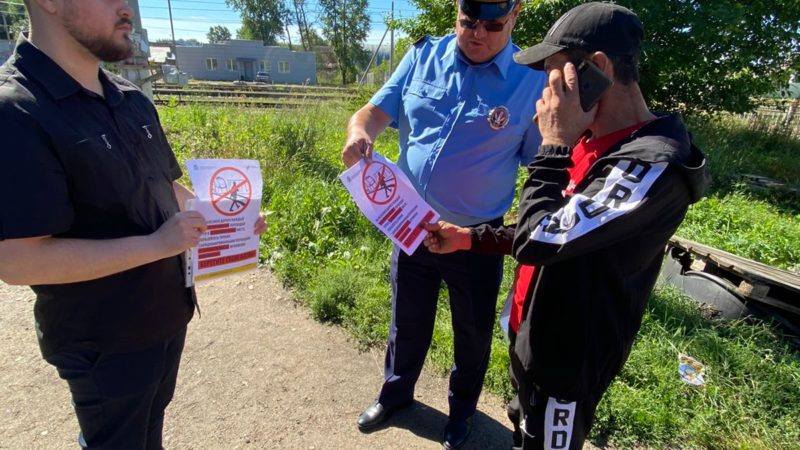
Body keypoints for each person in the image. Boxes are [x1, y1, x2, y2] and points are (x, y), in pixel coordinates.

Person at [422, 3, 710, 449]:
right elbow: (561, 225)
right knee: (523, 430)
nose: (545, 96)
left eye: (555, 78)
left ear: (596, 69)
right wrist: (471, 237)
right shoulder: (597, 141)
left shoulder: (649, 166)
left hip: (567, 365)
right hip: (534, 338)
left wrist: (553, 145)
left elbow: (542, 239)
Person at [0, 1, 266, 448]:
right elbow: (17, 261)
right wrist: (158, 245)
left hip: (164, 317)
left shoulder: (130, 97)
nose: (126, 8)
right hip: (103, 342)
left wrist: (226, 219)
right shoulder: (16, 112)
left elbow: (165, 188)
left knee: (147, 434)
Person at [341, 0, 546, 447]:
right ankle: (396, 396)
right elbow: (372, 114)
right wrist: (360, 134)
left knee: (471, 333)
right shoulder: (422, 56)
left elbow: (541, 167)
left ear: (515, 16)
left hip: (473, 238)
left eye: (493, 25)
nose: (477, 33)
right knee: (406, 320)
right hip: (411, 223)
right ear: (456, 11)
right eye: (468, 21)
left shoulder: (532, 81)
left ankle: (461, 414)